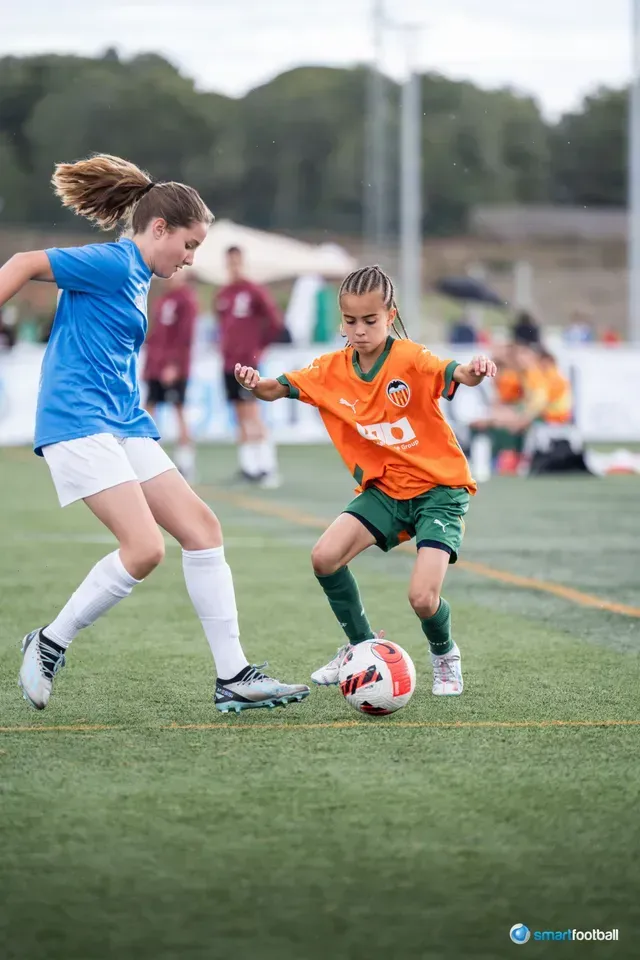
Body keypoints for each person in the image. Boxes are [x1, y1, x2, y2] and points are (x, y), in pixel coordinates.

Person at [0, 153, 308, 714]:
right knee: (143, 549)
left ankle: (233, 675)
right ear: (159, 229)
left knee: (202, 529)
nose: (191, 259)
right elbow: (22, 262)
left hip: (121, 422)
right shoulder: (116, 264)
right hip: (78, 422)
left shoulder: (140, 274)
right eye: (188, 245)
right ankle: (47, 642)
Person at [235, 265, 496, 696]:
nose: (359, 330)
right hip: (385, 492)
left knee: (422, 600)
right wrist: (254, 383)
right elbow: (274, 389)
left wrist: (476, 369)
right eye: (350, 321)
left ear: (390, 316)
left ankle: (444, 654)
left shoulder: (410, 358)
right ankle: (359, 648)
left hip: (439, 492)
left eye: (370, 321)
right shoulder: (330, 369)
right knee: (324, 557)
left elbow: (458, 374)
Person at [215, 246, 283, 487]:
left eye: (237, 262)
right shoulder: (223, 294)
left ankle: (267, 466)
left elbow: (274, 322)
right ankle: (248, 466)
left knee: (252, 413)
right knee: (238, 415)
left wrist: (258, 348)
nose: (234, 267)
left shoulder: (254, 292)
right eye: (229, 262)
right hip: (228, 364)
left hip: (247, 364)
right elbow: (222, 326)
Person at [143, 271, 198, 482]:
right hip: (156, 366)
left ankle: (186, 462)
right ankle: (148, 458)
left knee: (179, 410)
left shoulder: (186, 301)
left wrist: (174, 365)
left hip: (173, 368)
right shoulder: (163, 300)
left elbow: (185, 337)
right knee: (149, 409)